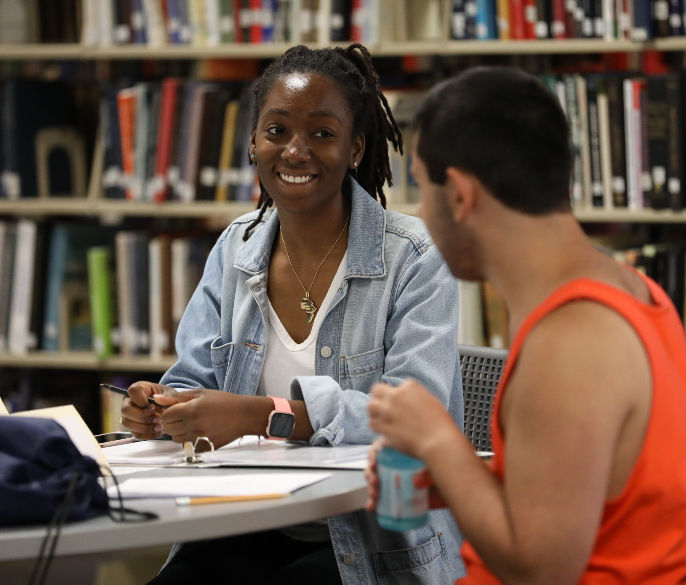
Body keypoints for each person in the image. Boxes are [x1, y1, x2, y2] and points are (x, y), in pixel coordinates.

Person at [120, 44, 464, 585]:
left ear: (355, 149)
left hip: (374, 542)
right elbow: (192, 380)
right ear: (254, 142)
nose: (295, 151)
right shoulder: (236, 248)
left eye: (322, 134)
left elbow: (414, 421)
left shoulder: (416, 258)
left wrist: (264, 415)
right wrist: (163, 410)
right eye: (276, 131)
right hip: (244, 522)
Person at [366, 66, 686, 585]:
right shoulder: (628, 289)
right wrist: (457, 477)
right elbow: (583, 488)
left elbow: (543, 572)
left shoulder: (571, 343)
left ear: (461, 196)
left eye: (421, 187)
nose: (419, 209)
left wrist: (440, 441)